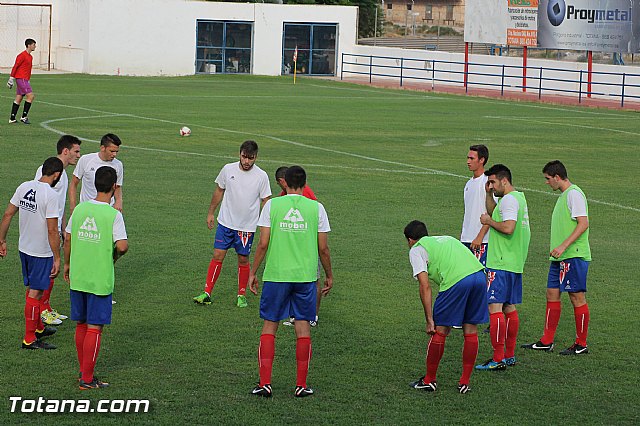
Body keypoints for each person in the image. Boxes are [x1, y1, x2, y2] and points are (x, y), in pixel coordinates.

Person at [248, 166, 333, 398]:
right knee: (303, 328)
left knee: (270, 327)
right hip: (305, 277)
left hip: (276, 275)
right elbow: (323, 248)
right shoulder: (317, 208)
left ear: (284, 184)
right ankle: (301, 385)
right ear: (305, 184)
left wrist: (253, 272)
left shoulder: (272, 206)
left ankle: (265, 383)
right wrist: (329, 275)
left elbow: (263, 243)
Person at [64, 166, 128, 390]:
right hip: (99, 279)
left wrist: (68, 264)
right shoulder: (113, 215)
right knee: (94, 328)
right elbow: (122, 245)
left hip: (78, 276)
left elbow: (68, 237)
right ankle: (87, 379)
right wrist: (115, 256)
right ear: (113, 187)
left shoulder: (80, 209)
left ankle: (83, 372)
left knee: (81, 324)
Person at [404, 220, 487, 394]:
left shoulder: (416, 250)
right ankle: (464, 382)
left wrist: (429, 320)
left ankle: (429, 381)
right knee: (470, 329)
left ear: (410, 240)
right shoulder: (446, 238)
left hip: (456, 281)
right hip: (479, 276)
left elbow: (424, 286)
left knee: (440, 330)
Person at [522, 161, 591, 355]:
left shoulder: (574, 194)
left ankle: (581, 343)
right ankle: (546, 340)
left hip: (573, 255)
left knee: (576, 297)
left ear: (557, 177)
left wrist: (563, 246)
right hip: (559, 258)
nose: (547, 183)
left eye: (548, 179)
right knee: (552, 294)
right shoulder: (563, 196)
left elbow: (583, 223)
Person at [193, 140, 271, 308]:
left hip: (246, 228)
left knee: (243, 259)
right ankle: (207, 293)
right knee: (217, 256)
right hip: (225, 223)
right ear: (239, 154)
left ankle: (241, 295)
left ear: (256, 157)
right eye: (244, 157)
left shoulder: (261, 176)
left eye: (251, 158)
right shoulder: (228, 169)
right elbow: (219, 190)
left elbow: (266, 201)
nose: (247, 161)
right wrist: (210, 213)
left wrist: (267, 224)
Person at [0, 157, 63, 350]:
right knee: (36, 293)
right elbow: (52, 230)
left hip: (24, 248)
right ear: (56, 175)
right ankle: (29, 339)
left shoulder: (24, 186)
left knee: (36, 289)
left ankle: (37, 328)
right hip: (41, 252)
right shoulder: (50, 195)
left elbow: (8, 214)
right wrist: (57, 257)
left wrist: (1, 239)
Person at [475, 164, 531, 371]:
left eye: (493, 182)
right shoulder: (518, 198)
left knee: (495, 308)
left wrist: (488, 221)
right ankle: (509, 355)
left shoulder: (508, 201)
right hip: (514, 262)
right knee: (509, 307)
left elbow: (508, 228)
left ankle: (498, 358)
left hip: (500, 261)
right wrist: (488, 194)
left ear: (504, 181)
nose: (491, 185)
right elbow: (494, 211)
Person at [35, 135, 82, 325]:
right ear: (65, 151)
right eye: (76, 151)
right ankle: (41, 309)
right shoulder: (50, 171)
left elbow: (58, 205)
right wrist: (53, 229)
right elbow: (41, 199)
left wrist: (63, 228)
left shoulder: (62, 173)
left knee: (52, 269)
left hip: (55, 227)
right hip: (46, 229)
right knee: (48, 268)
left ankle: (45, 307)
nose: (78, 155)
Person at [275, 166, 321, 327]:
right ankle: (296, 315)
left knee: (313, 280)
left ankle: (312, 316)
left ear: (284, 181)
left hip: (307, 245)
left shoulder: (307, 196)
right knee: (298, 280)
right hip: (295, 246)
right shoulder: (283, 196)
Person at [69, 133, 124, 214]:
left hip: (107, 210)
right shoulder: (86, 160)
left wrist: (119, 201)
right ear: (102, 148)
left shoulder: (118, 165)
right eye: (112, 151)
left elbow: (117, 186)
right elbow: (74, 183)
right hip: (86, 210)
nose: (114, 154)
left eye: (116, 151)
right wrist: (72, 206)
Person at [461, 145, 491, 266]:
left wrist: (480, 237)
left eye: (472, 158)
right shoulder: (469, 183)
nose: (468, 161)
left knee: (480, 279)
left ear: (482, 160)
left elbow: (492, 212)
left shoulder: (487, 182)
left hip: (481, 241)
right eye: (468, 158)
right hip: (466, 239)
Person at [7, 38, 36, 124]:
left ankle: (12, 118)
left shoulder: (30, 57)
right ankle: (24, 117)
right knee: (31, 96)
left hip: (24, 79)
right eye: (34, 45)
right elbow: (15, 66)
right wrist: (11, 78)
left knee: (19, 98)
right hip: (21, 79)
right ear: (29, 45)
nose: (35, 46)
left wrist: (28, 80)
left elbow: (27, 70)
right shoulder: (21, 55)